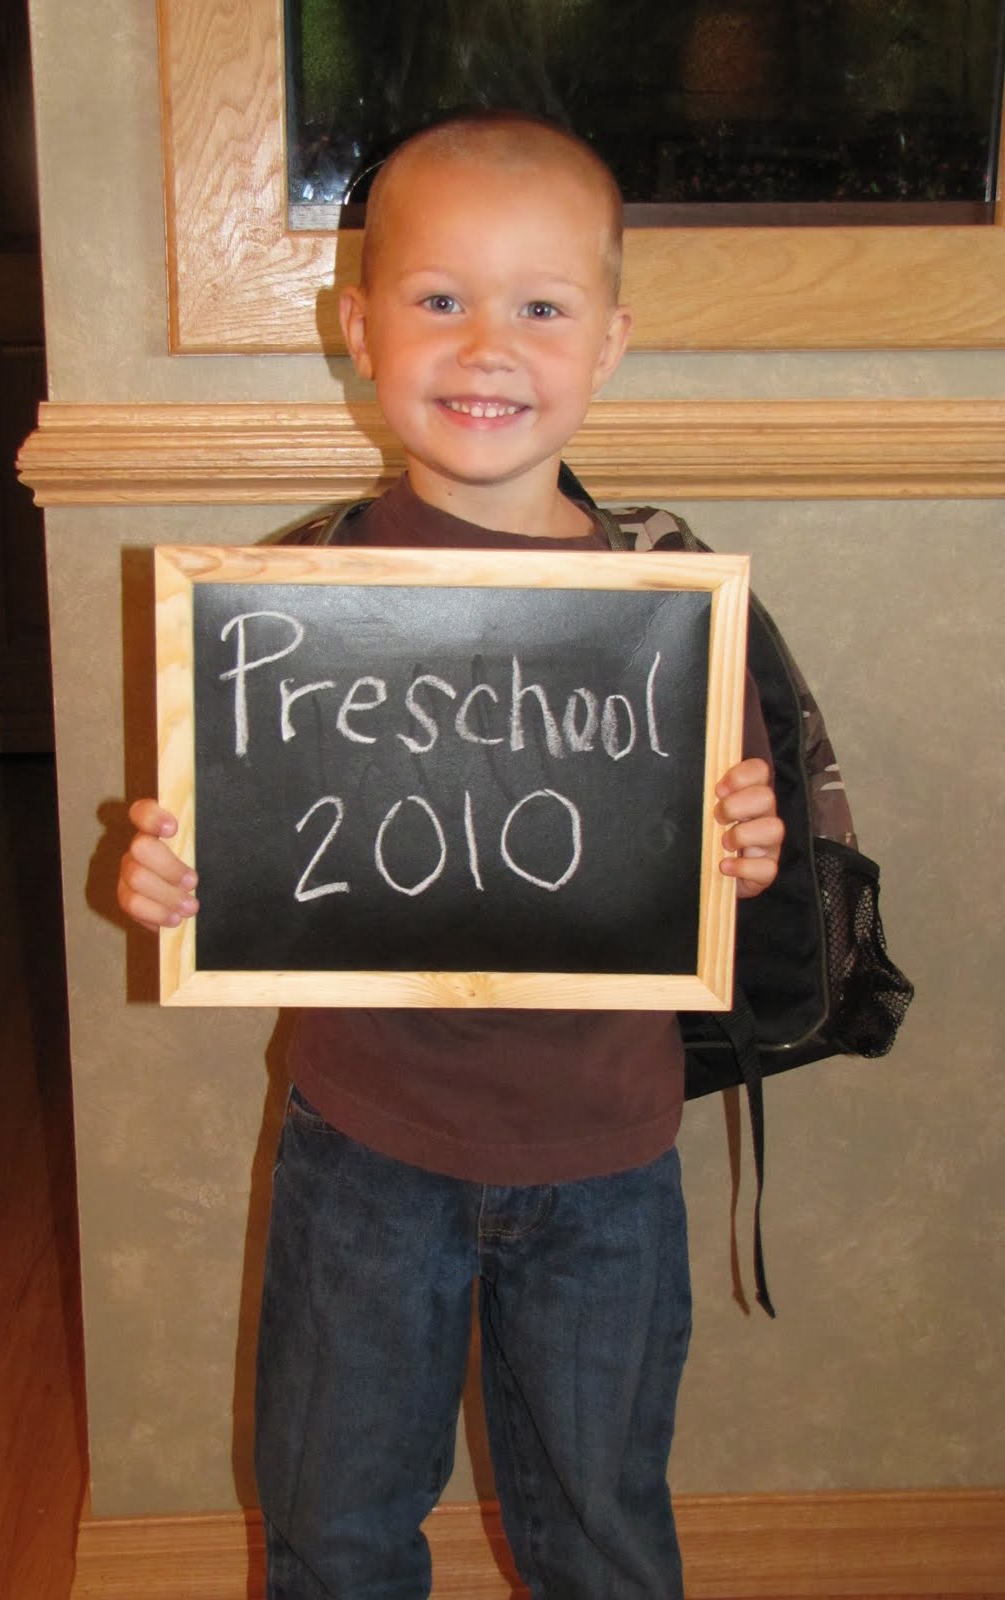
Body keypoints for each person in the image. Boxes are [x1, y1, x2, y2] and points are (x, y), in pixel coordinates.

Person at [118, 112, 784, 1600]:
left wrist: (744, 850)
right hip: (368, 1144)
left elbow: (726, 849)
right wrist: (171, 879)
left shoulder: (669, 608)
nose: (489, 347)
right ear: (356, 328)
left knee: (601, 1532)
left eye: (540, 307)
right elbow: (234, 857)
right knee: (336, 1523)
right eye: (439, 299)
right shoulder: (285, 607)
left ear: (609, 342)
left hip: (606, 1157)